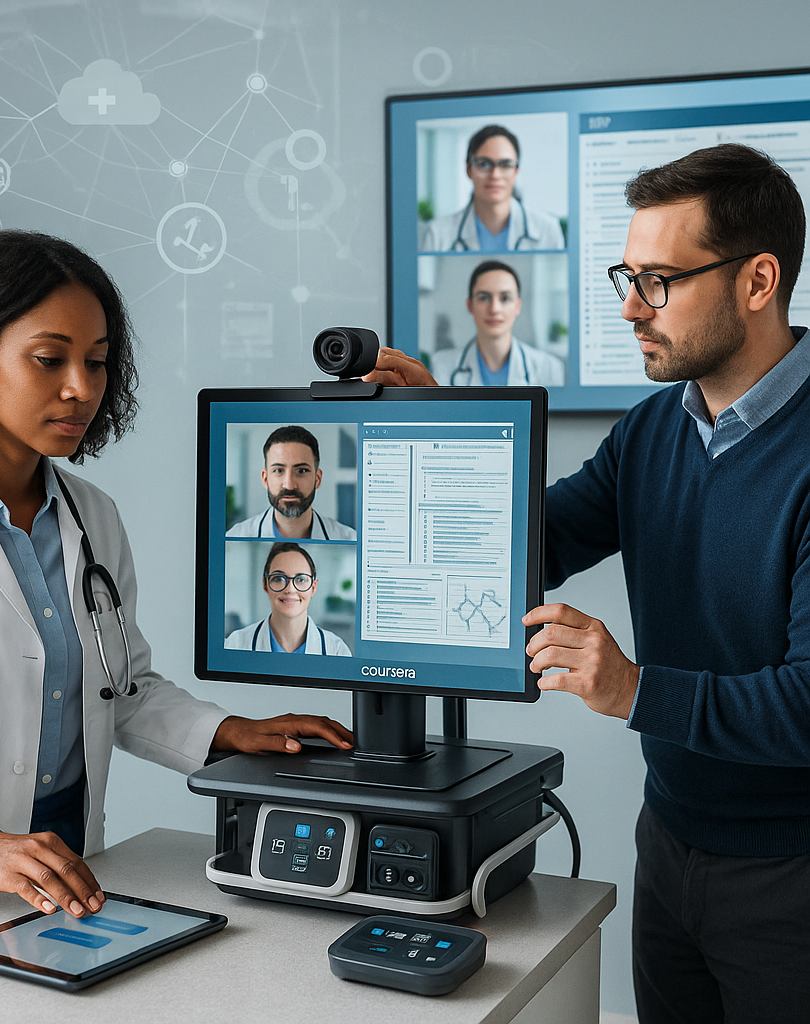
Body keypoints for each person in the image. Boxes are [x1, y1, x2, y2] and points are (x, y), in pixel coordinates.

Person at [0, 230, 353, 952]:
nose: (81, 388)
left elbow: (121, 688)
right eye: (49, 359)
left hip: (65, 877)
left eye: (96, 363)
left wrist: (229, 734)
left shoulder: (92, 518)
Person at [370, 143, 810, 1024]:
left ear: (758, 281)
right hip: (672, 842)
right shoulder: (652, 431)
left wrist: (635, 689)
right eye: (627, 275)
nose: (628, 308)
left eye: (659, 282)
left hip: (790, 873)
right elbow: (518, 550)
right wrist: (442, 425)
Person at [422, 124, 565, 253]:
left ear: (516, 171)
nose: (495, 175)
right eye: (484, 164)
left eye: (505, 164)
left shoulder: (548, 230)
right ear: (469, 170)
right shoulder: (437, 234)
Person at [433, 260, 564, 387]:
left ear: (518, 306)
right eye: (484, 298)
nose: (494, 309)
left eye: (505, 298)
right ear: (470, 305)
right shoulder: (442, 366)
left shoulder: (549, 369)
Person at [226, 425, 356, 541]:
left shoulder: (350, 539)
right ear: (265, 479)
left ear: (317, 479)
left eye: (301, 470)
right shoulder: (234, 538)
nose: (289, 485)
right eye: (278, 470)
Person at [225, 542, 351, 656]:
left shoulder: (337, 650)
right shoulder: (235, 644)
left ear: (313, 587)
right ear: (265, 584)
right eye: (279, 579)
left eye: (301, 579)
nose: (290, 589)